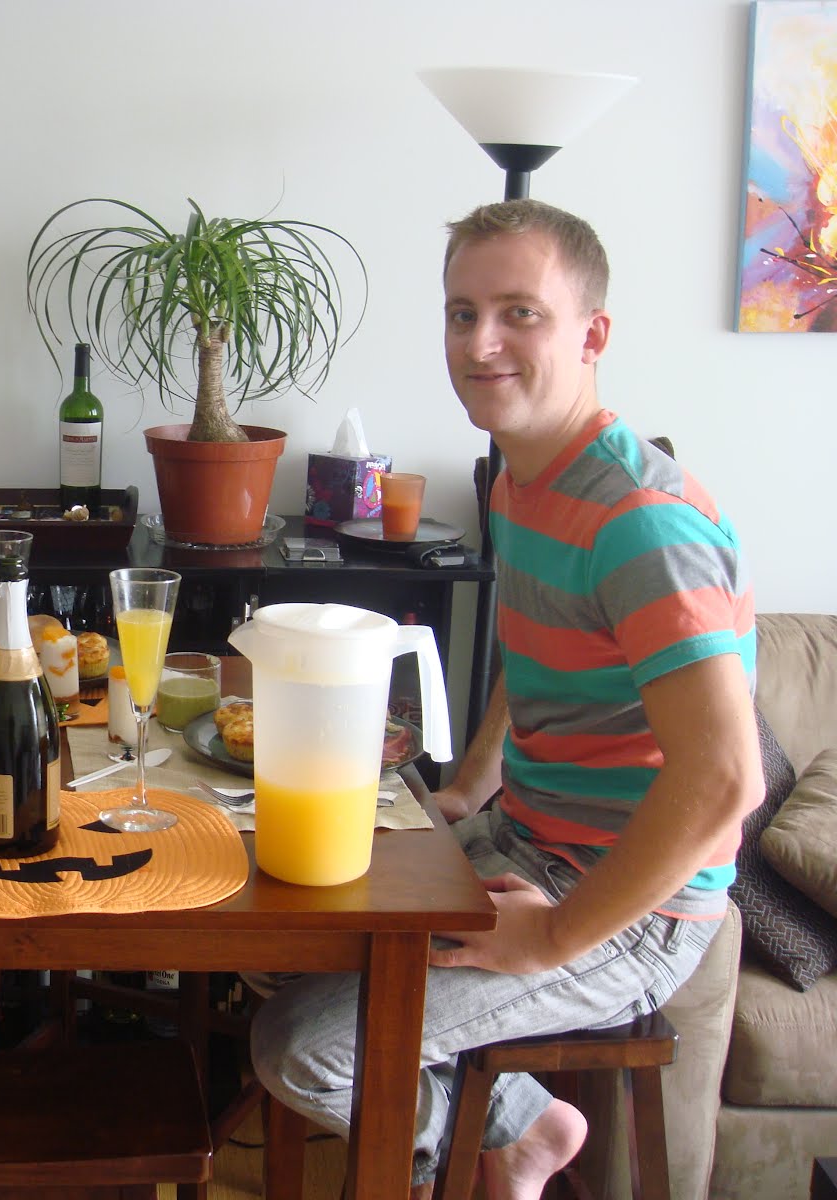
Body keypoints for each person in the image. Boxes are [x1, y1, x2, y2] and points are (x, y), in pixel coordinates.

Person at [249, 199, 762, 1200]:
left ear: (592, 335)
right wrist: (467, 787)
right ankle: (512, 1124)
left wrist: (554, 938)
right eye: (461, 313)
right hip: (525, 835)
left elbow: (724, 780)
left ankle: (521, 1136)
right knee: (274, 924)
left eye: (519, 313)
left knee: (299, 1047)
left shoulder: (641, 521)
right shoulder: (518, 481)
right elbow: (530, 660)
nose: (479, 343)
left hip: (632, 905)